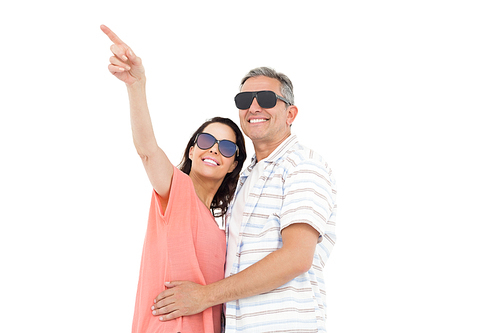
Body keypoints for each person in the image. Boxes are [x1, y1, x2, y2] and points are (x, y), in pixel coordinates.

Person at [151, 67, 337, 332]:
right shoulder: (246, 178)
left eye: (267, 99)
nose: (254, 107)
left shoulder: (303, 166)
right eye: (244, 100)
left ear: (290, 114)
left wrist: (204, 296)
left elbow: (296, 257)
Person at [101, 25, 247, 333]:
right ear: (192, 149)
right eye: (206, 141)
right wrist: (136, 85)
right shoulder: (177, 191)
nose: (214, 150)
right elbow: (148, 151)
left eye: (227, 146)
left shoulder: (224, 230)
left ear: (234, 163)